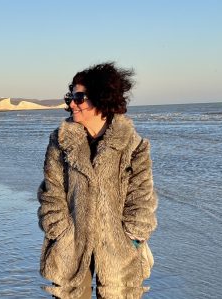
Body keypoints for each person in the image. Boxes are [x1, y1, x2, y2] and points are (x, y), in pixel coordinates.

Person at [37, 62, 158, 298]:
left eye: (79, 97)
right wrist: (60, 233)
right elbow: (51, 193)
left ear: (101, 99)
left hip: (119, 251)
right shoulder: (60, 143)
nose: (72, 103)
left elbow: (142, 198)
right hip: (70, 247)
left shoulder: (133, 146)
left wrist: (131, 238)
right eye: (71, 97)